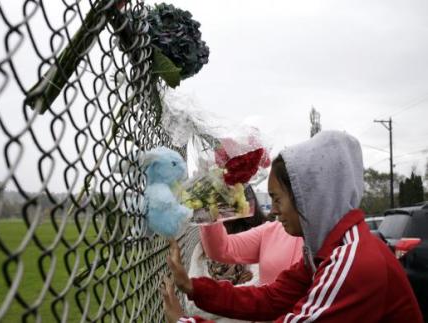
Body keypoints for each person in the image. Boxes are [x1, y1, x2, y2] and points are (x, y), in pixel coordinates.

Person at [162, 131, 423, 323]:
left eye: (277, 198)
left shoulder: (351, 262)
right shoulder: (324, 251)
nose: (272, 210)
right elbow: (270, 299)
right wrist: (194, 287)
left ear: (308, 197)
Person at [199, 185, 303, 285]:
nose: (273, 210)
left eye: (278, 199)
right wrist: (207, 208)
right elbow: (221, 249)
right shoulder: (269, 230)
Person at [185, 199, 264, 322]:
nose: (220, 210)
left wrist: (208, 294)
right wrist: (239, 289)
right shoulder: (202, 247)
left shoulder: (256, 238)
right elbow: (192, 305)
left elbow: (258, 293)